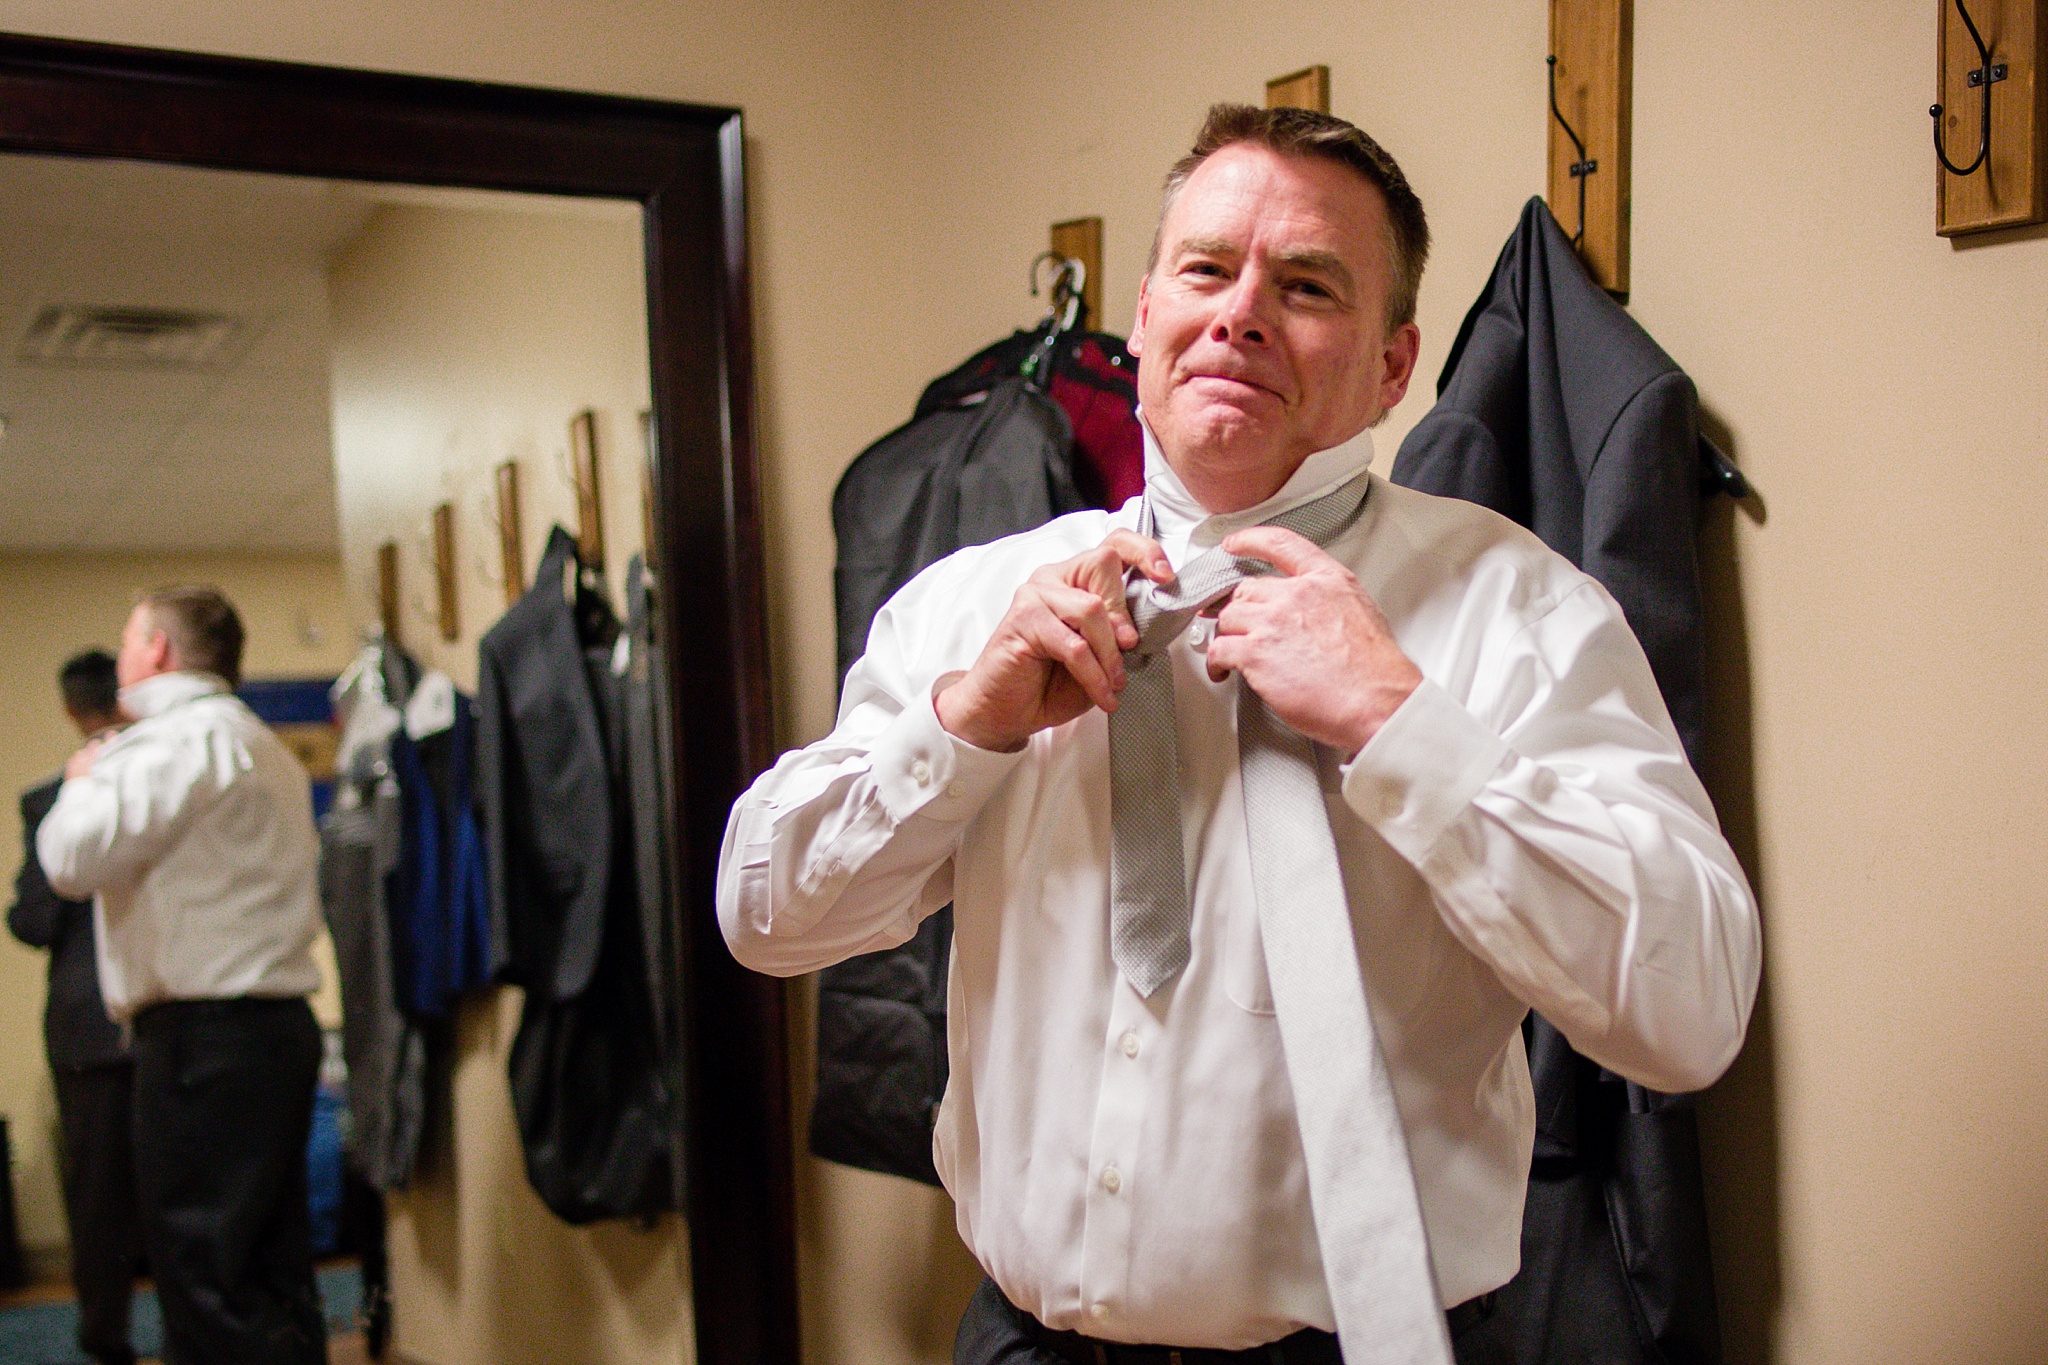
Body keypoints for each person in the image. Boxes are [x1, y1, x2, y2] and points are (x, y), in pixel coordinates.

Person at [717, 105, 1760, 1365]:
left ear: (1390, 364)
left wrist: (1397, 723)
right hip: (1021, 1346)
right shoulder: (971, 608)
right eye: (1206, 269)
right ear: (1147, 310)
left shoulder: (1517, 609)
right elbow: (764, 915)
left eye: (1307, 284)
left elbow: (1689, 1007)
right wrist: (963, 728)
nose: (1240, 311)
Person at [37, 587, 330, 1365]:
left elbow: (69, 861)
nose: (124, 652)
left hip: (204, 1041)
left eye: (131, 636)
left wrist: (80, 781)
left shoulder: (170, 742)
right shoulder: (262, 744)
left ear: (159, 651)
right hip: (277, 1029)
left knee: (203, 1270)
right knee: (272, 1265)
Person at [8, 649, 139, 1365]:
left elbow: (31, 921)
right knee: (175, 1182)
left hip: (86, 1022)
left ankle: (105, 1337)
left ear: (68, 707)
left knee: (97, 1195)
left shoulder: (50, 798)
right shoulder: (156, 777)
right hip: (155, 1011)